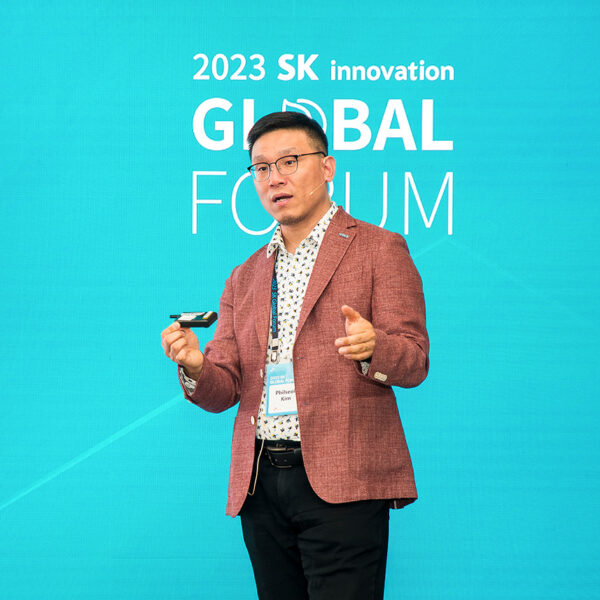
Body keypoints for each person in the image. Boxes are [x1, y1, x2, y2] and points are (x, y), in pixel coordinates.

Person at [161, 111, 429, 600]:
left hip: (343, 479)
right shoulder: (244, 276)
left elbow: (413, 359)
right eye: (261, 168)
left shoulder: (379, 248)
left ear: (326, 167)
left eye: (289, 162)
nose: (274, 178)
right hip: (261, 484)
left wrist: (375, 348)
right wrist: (196, 368)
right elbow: (225, 389)